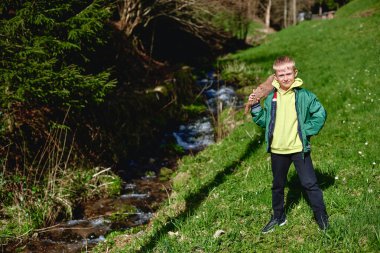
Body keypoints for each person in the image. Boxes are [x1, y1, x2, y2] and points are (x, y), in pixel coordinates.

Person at [247, 56, 329, 233]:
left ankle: (322, 218)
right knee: (277, 185)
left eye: (288, 73)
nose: (285, 77)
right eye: (281, 74)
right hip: (278, 150)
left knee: (310, 184)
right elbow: (264, 121)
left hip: (299, 149)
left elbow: (320, 114)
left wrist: (306, 131)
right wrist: (255, 107)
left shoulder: (305, 96)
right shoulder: (271, 98)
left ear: (295, 73)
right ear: (275, 77)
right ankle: (278, 217)